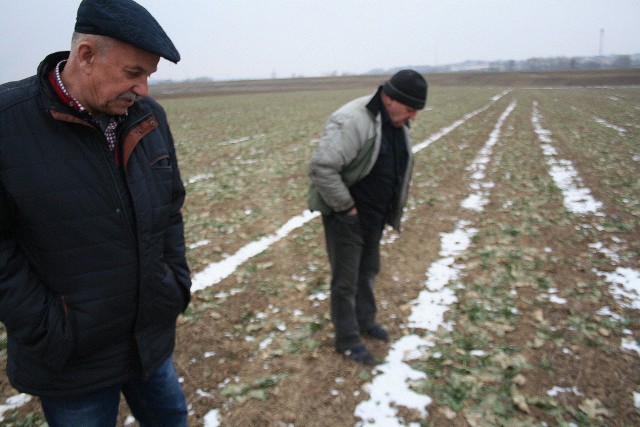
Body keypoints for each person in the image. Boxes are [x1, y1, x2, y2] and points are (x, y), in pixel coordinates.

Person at [0, 0, 191, 425]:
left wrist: (173, 281)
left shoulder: (150, 118)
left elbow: (170, 207)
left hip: (149, 339)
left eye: (149, 76)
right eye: (133, 73)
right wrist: (51, 326)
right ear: (86, 56)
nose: (144, 89)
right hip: (72, 359)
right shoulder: (8, 122)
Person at [308, 70, 428, 365]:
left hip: (373, 216)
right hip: (346, 216)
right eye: (410, 109)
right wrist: (346, 208)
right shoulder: (353, 120)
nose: (413, 117)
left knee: (368, 270)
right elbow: (322, 167)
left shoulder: (396, 122)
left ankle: (364, 322)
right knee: (346, 280)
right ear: (389, 98)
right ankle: (347, 340)